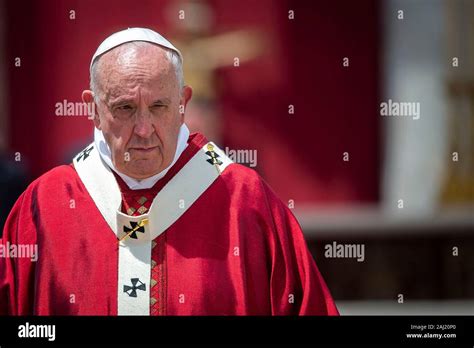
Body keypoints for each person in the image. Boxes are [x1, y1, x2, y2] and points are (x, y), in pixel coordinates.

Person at [0, 28, 338, 316]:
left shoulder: (244, 201)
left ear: (183, 103)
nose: (144, 129)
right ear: (93, 109)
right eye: (125, 108)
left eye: (159, 106)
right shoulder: (44, 207)